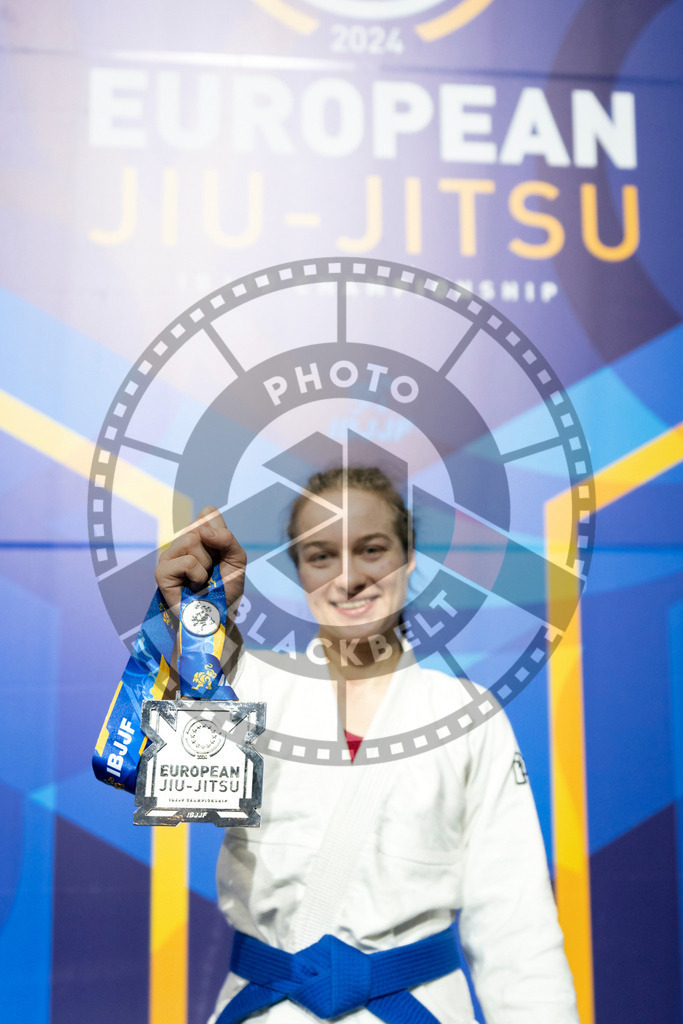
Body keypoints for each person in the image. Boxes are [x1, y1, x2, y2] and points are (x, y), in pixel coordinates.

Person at [155, 466, 579, 1024]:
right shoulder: (244, 687)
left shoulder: (467, 716)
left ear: (408, 558)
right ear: (300, 573)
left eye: (372, 549)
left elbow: (514, 924)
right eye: (321, 556)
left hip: (415, 1007)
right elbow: (178, 799)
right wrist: (201, 646)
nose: (348, 578)